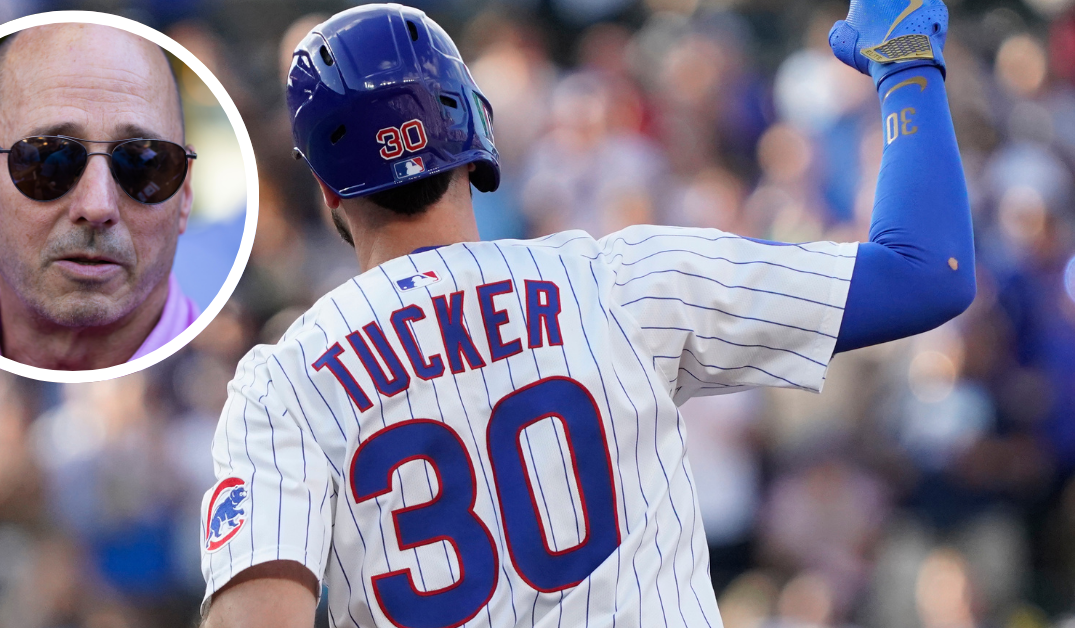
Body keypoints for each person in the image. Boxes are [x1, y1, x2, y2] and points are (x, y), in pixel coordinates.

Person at [199, 1, 973, 626]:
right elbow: (925, 272)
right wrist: (904, 66)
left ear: (327, 189)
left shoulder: (283, 383)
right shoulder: (618, 281)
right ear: (475, 131)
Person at [0, 23, 199, 370]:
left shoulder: (244, 381)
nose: (97, 206)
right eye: (48, 160)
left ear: (185, 193)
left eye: (142, 165)